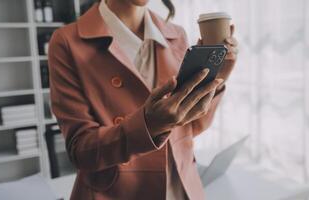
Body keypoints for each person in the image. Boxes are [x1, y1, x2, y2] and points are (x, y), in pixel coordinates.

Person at [48, 0, 238, 199]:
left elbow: (191, 128)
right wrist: (147, 126)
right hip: (116, 192)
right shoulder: (67, 41)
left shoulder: (176, 35)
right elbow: (81, 151)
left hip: (181, 187)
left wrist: (217, 80)